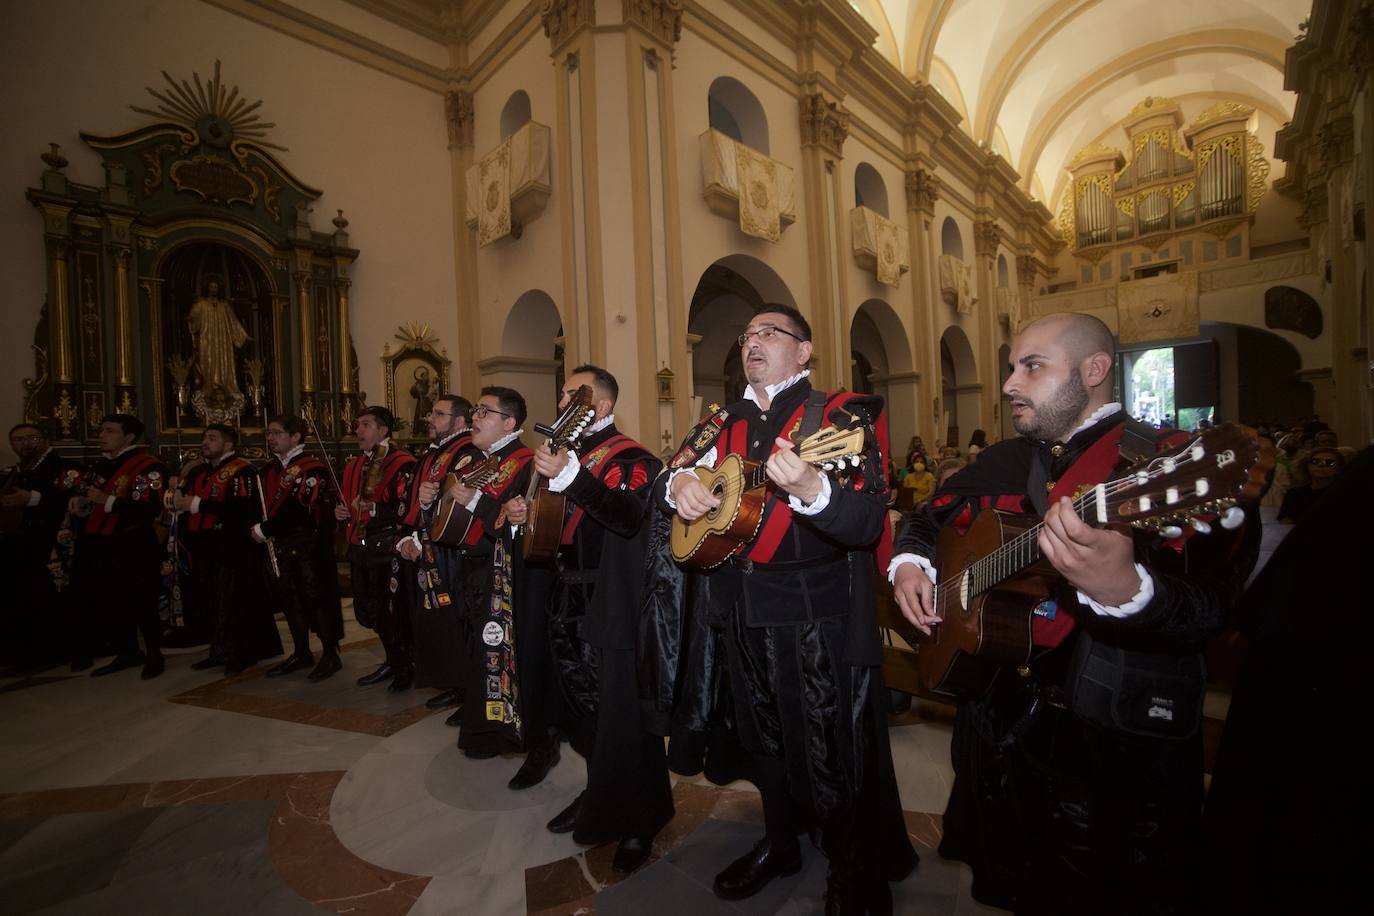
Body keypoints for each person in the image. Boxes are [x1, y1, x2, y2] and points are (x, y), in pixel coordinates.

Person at [891, 312, 1258, 915]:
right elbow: (927, 517)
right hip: (1001, 728)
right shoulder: (1006, 460)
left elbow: (1217, 609)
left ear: (1094, 371)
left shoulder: (1168, 464)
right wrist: (911, 566)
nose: (1009, 383)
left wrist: (1130, 590)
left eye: (1031, 366)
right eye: (1012, 367)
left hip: (1108, 750)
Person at [665, 305, 916, 911]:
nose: (753, 342)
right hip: (735, 609)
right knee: (762, 744)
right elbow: (669, 474)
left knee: (830, 751)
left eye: (769, 333)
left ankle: (853, 872)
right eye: (748, 333)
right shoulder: (721, 419)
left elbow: (863, 522)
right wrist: (679, 486)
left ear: (803, 351)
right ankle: (780, 845)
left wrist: (813, 489)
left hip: (811, 615)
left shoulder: (839, 415)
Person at [504, 365, 670, 875]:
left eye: (569, 395)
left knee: (624, 714)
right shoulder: (562, 456)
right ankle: (601, 791)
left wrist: (571, 477)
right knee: (584, 712)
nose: (559, 404)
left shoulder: (633, 457)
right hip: (563, 597)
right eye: (559, 396)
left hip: (609, 601)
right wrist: (521, 515)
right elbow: (549, 526)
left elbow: (628, 516)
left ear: (596, 406)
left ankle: (644, 816)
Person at [446, 387, 534, 760]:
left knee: (498, 652)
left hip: (502, 573)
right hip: (471, 567)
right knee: (475, 648)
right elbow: (453, 501)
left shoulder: (525, 461)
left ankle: (499, 730)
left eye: (485, 412)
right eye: (476, 411)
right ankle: (479, 716)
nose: (474, 418)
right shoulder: (478, 460)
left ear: (509, 423)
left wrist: (476, 500)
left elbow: (514, 521)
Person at [174, 424, 282, 673]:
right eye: (204, 437)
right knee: (213, 601)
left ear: (228, 444)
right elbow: (184, 499)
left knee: (238, 601)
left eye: (212, 438)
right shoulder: (198, 471)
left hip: (234, 547)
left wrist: (199, 504)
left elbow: (243, 508)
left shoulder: (243, 470)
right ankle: (220, 649)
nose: (205, 442)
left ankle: (245, 651)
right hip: (203, 546)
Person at [69, 414, 169, 679]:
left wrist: (108, 500)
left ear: (129, 437)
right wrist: (82, 506)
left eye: (110, 431)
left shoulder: (149, 466)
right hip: (101, 541)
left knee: (142, 599)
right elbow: (89, 496)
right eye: (101, 430)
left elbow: (149, 507)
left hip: (133, 541)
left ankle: (154, 653)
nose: (102, 435)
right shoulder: (101, 465)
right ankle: (127, 651)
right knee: (114, 599)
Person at [400, 394, 476, 712]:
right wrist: (408, 536)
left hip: (451, 550)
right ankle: (454, 683)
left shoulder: (466, 452)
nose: (429, 419)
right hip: (429, 545)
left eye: (438, 414)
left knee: (456, 619)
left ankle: (466, 690)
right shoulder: (435, 453)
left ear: (458, 422)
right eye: (431, 413)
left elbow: (455, 504)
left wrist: (421, 537)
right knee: (438, 619)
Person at [258, 414, 345, 681]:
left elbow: (303, 512)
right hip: (280, 546)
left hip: (308, 546)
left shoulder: (312, 468)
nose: (271, 438)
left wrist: (266, 529)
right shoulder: (269, 470)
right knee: (289, 599)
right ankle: (301, 651)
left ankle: (330, 653)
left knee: (315, 598)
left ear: (295, 437)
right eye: (269, 433)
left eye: (277, 433)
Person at [337, 406, 417, 691]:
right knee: (370, 609)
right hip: (361, 547)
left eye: (366, 425)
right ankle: (392, 659)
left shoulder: (401, 463)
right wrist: (345, 511)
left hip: (386, 548)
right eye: (358, 425)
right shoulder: (356, 464)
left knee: (391, 611)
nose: (359, 431)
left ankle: (405, 665)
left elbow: (406, 507)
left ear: (383, 430)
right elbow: (352, 501)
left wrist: (374, 509)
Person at [1, 422, 71, 670]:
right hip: (21, 541)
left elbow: (68, 496)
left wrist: (30, 498)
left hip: (50, 541)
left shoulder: (58, 466)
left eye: (31, 437)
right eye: (18, 439)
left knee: (44, 595)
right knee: (22, 596)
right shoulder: (19, 469)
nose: (26, 443)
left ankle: (50, 651)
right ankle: (24, 651)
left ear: (43, 440)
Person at [187, 279, 248, 402]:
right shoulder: (201, 304)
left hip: (223, 341)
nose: (214, 289)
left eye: (216, 287)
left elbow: (233, 323)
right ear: (208, 288)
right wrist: (192, 318)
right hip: (207, 341)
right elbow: (193, 319)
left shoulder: (224, 306)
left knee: (224, 362)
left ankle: (225, 387)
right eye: (211, 286)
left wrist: (243, 336)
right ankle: (209, 387)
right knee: (207, 362)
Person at [1277, 445, 1345, 524]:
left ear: (1339, 469)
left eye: (1329, 462)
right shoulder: (1294, 493)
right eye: (1315, 461)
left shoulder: (1344, 494)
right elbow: (1286, 521)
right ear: (1307, 465)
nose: (1321, 465)